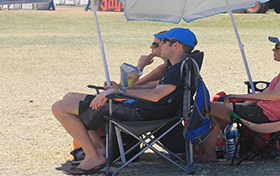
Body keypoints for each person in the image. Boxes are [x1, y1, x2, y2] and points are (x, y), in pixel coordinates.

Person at [52, 28, 198, 175]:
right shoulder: (179, 65)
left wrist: (118, 92)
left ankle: (93, 156)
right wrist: (120, 89)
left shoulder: (177, 69)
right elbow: (149, 86)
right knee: (70, 97)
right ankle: (99, 149)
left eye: (163, 42)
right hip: (142, 109)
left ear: (176, 45)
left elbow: (156, 95)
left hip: (141, 114)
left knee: (59, 107)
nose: (159, 45)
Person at [200, 34, 280, 162]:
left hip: (266, 115)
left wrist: (237, 96)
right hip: (269, 112)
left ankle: (208, 154)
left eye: (277, 47)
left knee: (206, 107)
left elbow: (275, 95)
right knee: (214, 112)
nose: (273, 50)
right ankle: (211, 153)